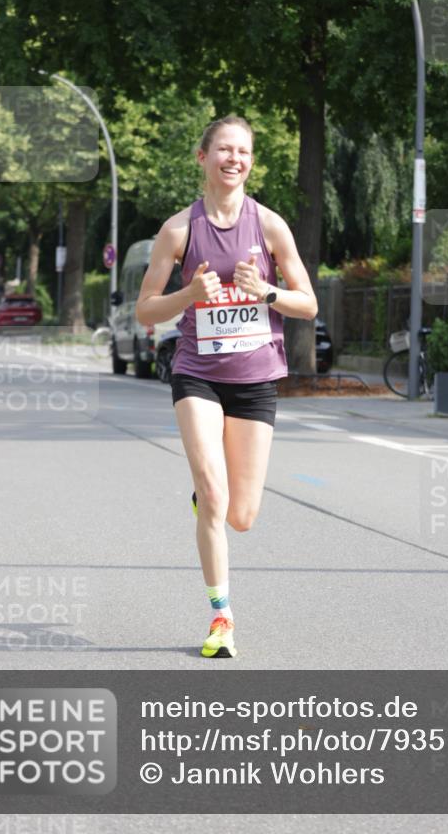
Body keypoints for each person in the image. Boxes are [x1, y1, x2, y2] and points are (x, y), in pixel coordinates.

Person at [136, 115, 318, 657]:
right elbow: (146, 309)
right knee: (216, 496)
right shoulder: (179, 230)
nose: (233, 158)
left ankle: (207, 502)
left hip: (255, 380)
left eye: (243, 151)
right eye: (223, 149)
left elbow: (307, 303)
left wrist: (266, 292)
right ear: (203, 157)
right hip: (197, 374)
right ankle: (221, 618)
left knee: (241, 515)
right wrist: (189, 292)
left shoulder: (270, 226)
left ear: (251, 162)